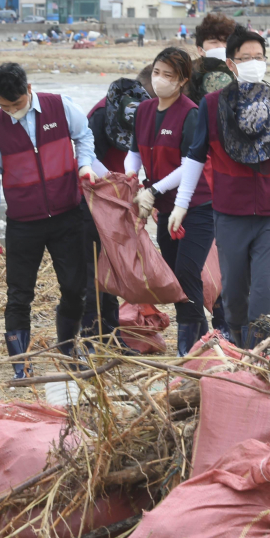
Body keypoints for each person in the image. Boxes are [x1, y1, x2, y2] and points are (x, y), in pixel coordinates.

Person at [173, 28, 270, 347]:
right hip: (230, 213)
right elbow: (195, 156)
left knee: (265, 289)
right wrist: (181, 204)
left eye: (259, 57)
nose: (254, 63)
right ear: (231, 64)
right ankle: (240, 348)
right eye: (246, 58)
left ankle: (260, 352)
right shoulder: (213, 105)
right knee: (233, 293)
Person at [0, 63, 96, 402]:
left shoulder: (60, 106)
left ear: (29, 89)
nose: (13, 112)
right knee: (19, 295)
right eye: (5, 107)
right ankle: (20, 364)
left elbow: (84, 134)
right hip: (23, 221)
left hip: (67, 214)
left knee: (75, 288)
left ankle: (67, 349)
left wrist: (85, 164)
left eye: (17, 104)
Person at [128, 48, 217, 356]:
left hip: (198, 208)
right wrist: (131, 181)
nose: (160, 80)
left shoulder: (191, 113)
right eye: (156, 72)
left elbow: (188, 165)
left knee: (187, 273)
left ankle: (188, 349)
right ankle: (203, 344)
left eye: (169, 75)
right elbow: (135, 152)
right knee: (177, 281)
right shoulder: (144, 110)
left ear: (182, 81)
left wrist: (154, 190)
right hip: (165, 211)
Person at [81, 71, 152, 343]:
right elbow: (85, 155)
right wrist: (113, 183)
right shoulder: (100, 114)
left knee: (113, 268)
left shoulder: (145, 111)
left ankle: (112, 335)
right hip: (93, 198)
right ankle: (89, 335)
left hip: (121, 199)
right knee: (93, 271)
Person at [188, 12, 237, 104]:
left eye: (226, 42)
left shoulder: (241, 71)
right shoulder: (188, 72)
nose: (221, 47)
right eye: (214, 42)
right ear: (200, 50)